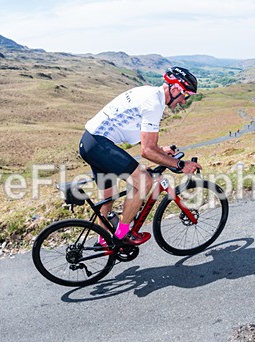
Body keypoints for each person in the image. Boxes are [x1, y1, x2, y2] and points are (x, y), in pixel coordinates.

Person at [79, 67, 202, 246]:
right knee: (144, 182)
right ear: (175, 89)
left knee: (108, 195)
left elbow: (143, 139)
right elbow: (147, 151)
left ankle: (104, 239)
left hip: (89, 142)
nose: (184, 101)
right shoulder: (154, 104)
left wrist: (161, 150)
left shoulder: (149, 93)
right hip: (99, 144)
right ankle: (122, 235)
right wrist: (180, 165)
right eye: (185, 95)